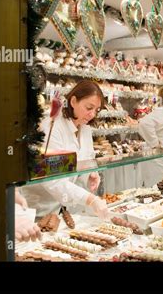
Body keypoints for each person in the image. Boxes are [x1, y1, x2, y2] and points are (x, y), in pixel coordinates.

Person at [22, 80, 108, 219]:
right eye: (89, 107)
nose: (92, 114)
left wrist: (91, 173)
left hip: (60, 208)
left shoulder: (85, 128)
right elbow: (52, 178)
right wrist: (90, 199)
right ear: (73, 101)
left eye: (96, 110)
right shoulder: (52, 127)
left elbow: (86, 158)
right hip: (36, 208)